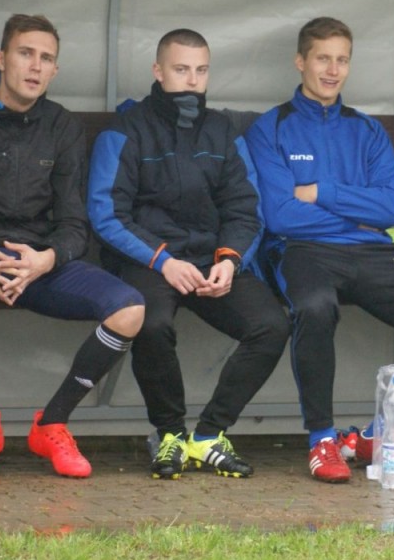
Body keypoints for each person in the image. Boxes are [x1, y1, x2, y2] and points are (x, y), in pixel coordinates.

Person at [245, 16, 394, 483]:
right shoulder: (270, 128)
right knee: (315, 306)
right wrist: (354, 212)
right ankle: (322, 439)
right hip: (303, 250)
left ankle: (376, 433)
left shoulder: (367, 130)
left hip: (370, 250)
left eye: (342, 60)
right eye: (323, 59)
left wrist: (320, 191)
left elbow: (391, 208)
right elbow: (281, 215)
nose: (333, 70)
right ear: (300, 61)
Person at [0, 14, 145, 481]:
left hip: (36, 262)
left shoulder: (61, 125)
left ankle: (52, 424)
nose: (35, 66)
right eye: (25, 53)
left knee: (129, 309)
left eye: (46, 58)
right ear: (1, 58)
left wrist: (46, 259)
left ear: (55, 70)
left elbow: (74, 223)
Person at [87, 29, 290, 481]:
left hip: (209, 261)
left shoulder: (222, 131)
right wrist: (163, 261)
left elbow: (245, 208)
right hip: (148, 261)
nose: (192, 80)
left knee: (272, 325)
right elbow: (107, 214)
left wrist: (230, 260)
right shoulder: (126, 130)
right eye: (181, 69)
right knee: (151, 322)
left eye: (201, 70)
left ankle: (209, 435)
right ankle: (170, 435)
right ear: (158, 72)